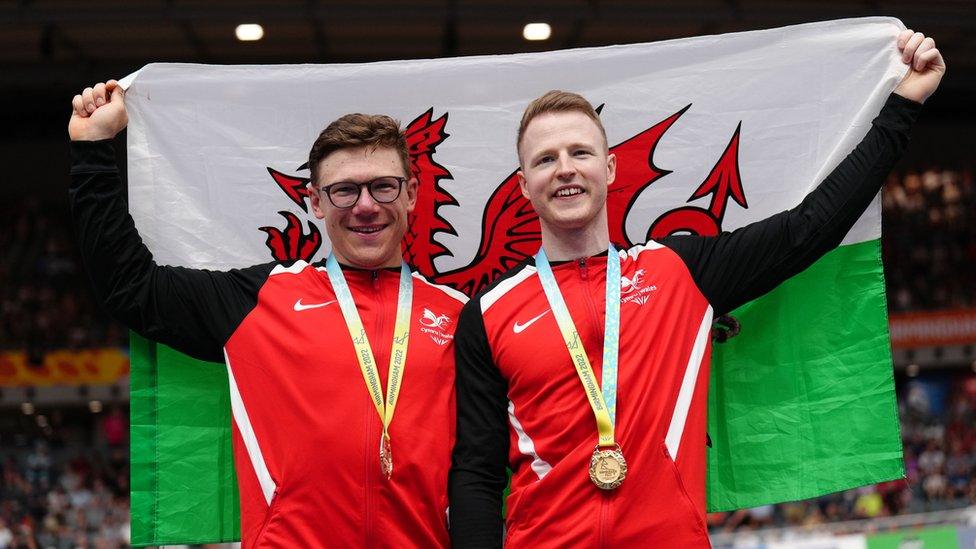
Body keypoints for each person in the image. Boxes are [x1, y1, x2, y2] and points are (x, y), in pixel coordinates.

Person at [448, 29, 945, 547]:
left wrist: (905, 103)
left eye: (581, 152)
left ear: (611, 167)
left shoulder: (678, 271)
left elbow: (809, 229)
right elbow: (477, 473)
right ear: (524, 185)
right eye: (545, 159)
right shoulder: (488, 313)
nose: (566, 169)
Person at [68, 83, 467, 547]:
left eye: (383, 186)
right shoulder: (261, 299)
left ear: (411, 193)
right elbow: (132, 287)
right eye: (344, 191)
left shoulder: (461, 317)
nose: (365, 205)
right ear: (315, 202)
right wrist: (93, 150)